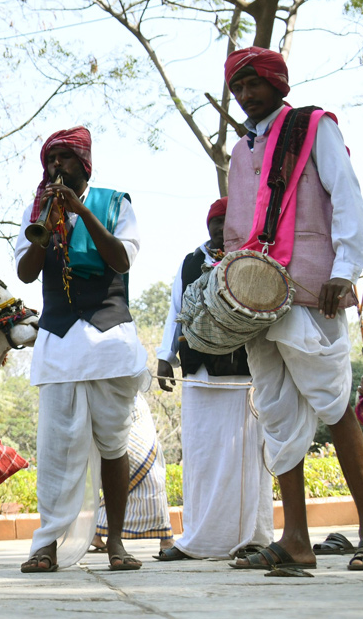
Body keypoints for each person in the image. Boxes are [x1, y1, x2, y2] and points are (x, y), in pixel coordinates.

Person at [221, 48, 363, 573]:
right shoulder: (240, 151)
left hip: (312, 289)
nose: (246, 94)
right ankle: (296, 540)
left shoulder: (313, 127)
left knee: (334, 403)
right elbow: (237, 228)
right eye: (238, 87)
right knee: (278, 414)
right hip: (257, 301)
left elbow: (347, 197)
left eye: (254, 83)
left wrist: (345, 270)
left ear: (278, 83)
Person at [15, 126, 147, 572]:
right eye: (51, 159)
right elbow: (26, 274)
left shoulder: (115, 204)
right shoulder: (37, 209)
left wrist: (82, 213)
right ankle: (47, 545)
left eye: (65, 158)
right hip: (59, 347)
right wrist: (49, 224)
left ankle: (116, 543)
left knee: (113, 445)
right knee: (55, 450)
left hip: (110, 345)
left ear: (85, 164)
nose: (56, 166)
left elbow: (122, 259)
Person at [156, 197, 273, 560]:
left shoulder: (251, 259)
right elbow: (176, 311)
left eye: (228, 222)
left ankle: (252, 538)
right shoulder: (191, 262)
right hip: (199, 375)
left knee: (244, 457)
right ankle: (199, 539)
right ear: (207, 226)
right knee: (201, 457)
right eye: (216, 223)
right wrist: (165, 357)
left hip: (242, 376)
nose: (221, 229)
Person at [91, 394, 174, 556]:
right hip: (108, 400)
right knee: (140, 471)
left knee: (154, 474)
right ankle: (98, 532)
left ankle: (165, 536)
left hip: (134, 402)